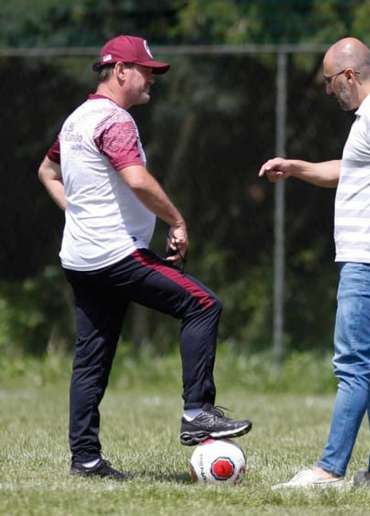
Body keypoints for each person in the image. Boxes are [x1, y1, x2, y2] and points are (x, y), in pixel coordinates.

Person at [37, 35, 252, 480]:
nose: (152, 77)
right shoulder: (115, 120)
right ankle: (198, 412)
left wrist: (78, 213)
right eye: (145, 70)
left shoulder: (77, 119)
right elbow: (135, 178)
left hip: (80, 258)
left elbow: (46, 170)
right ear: (119, 71)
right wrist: (176, 220)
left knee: (91, 357)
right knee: (203, 304)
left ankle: (86, 458)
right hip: (116, 255)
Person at [260, 36, 370, 489]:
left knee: (352, 367)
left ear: (350, 75)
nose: (330, 91)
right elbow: (352, 170)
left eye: (331, 82)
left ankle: (329, 470)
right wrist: (296, 167)